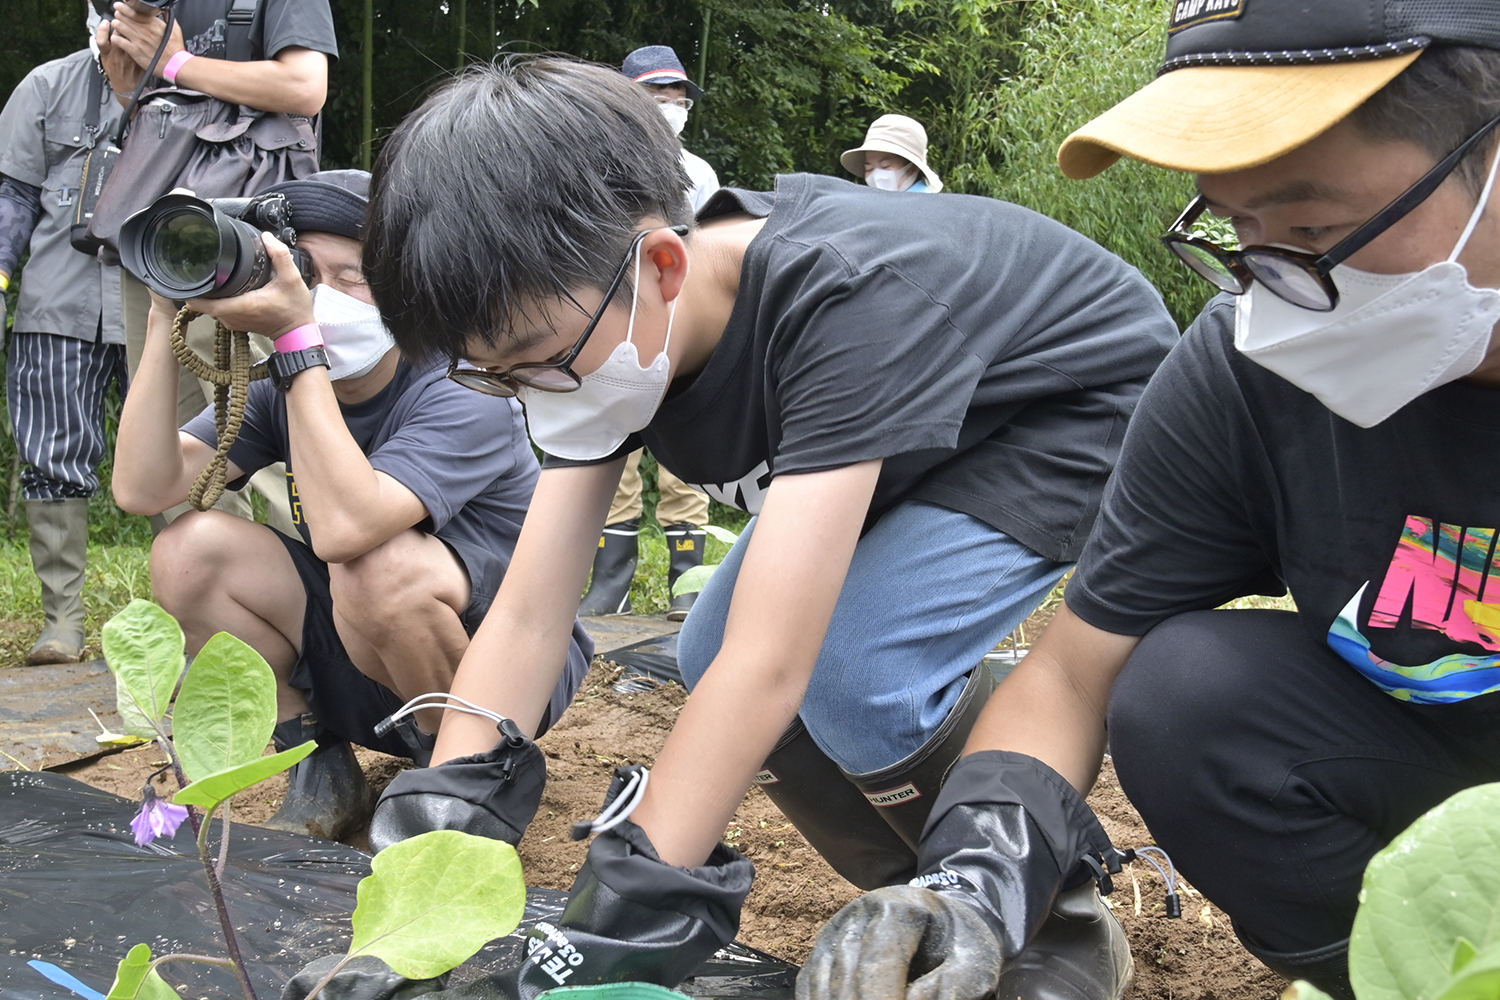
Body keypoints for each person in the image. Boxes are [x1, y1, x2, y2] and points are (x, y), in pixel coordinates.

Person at [304, 57, 1178, 998]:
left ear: (664, 265)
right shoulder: (601, 326)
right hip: (915, 425)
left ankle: (1050, 912)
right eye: (495, 375)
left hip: (1070, 412)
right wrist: (420, 877)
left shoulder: (838, 300)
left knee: (853, 671)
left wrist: (618, 920)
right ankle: (914, 902)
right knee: (704, 647)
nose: (528, 393)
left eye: (533, 363)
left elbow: (772, 666)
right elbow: (526, 615)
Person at [799, 2, 1500, 999]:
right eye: (1242, 229)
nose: (1276, 292)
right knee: (1191, 697)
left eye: (1313, 227)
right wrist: (972, 881)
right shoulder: (1249, 372)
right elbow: (1075, 675)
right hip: (1445, 797)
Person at [111, 170, 593, 841]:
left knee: (378, 565)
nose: (325, 298)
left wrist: (296, 345)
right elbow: (142, 490)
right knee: (187, 553)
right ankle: (319, 767)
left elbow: (345, 532)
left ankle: (459, 779)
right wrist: (170, 311)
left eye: (354, 277)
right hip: (360, 649)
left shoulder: (463, 384)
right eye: (306, 273)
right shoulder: (280, 387)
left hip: (503, 667)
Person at [95, 0, 339, 534]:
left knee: (263, 418)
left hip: (241, 232)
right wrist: (126, 82)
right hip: (155, 234)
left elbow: (304, 86)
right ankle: (211, 598)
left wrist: (175, 63)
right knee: (171, 424)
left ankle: (307, 580)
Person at [577, 44, 722, 622]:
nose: (669, 107)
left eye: (677, 98)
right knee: (614, 444)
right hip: (613, 319)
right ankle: (612, 580)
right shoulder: (593, 169)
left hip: (683, 322)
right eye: (655, 96)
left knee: (684, 446)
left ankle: (688, 581)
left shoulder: (701, 173)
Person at [0, 21, 127, 665]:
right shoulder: (47, 86)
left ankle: (200, 622)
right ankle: (63, 622)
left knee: (193, 455)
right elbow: (12, 199)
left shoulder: (197, 88)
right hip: (56, 300)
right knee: (51, 456)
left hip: (162, 306)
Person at [841, 114, 942, 193]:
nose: (876, 175)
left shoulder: (926, 207)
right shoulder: (875, 205)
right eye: (869, 169)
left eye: (885, 166)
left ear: (913, 168)